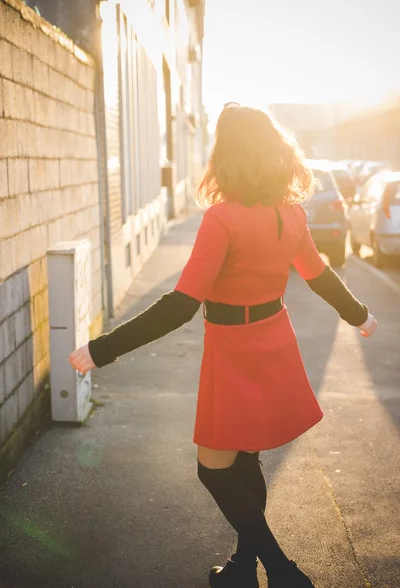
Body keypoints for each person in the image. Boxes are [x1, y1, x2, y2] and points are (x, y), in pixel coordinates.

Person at [69, 104, 377, 588]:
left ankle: (281, 569)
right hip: (274, 341)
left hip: (233, 350)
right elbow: (319, 276)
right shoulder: (291, 213)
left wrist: (102, 348)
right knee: (244, 457)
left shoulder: (222, 219)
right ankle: (241, 568)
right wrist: (360, 315)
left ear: (225, 154)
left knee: (213, 471)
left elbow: (180, 305)